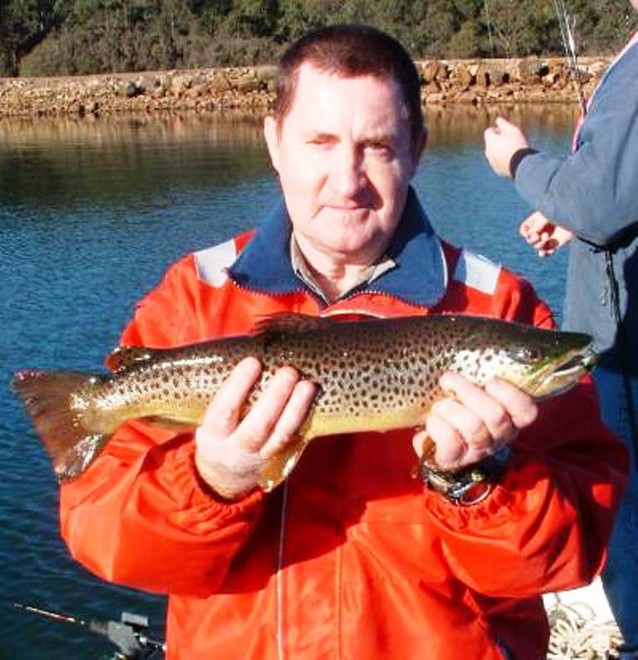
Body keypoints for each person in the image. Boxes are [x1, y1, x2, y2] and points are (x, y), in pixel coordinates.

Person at [59, 25, 627, 659]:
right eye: (319, 142)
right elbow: (107, 539)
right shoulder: (192, 297)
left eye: (377, 146)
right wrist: (209, 480)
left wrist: (477, 482)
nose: (346, 179)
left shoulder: (503, 306)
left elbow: (566, 560)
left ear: (417, 149)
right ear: (274, 143)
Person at [484, 5, 638, 653]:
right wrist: (570, 215)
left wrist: (521, 163)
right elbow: (613, 198)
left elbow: (602, 201)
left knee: (626, 506)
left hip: (627, 348)